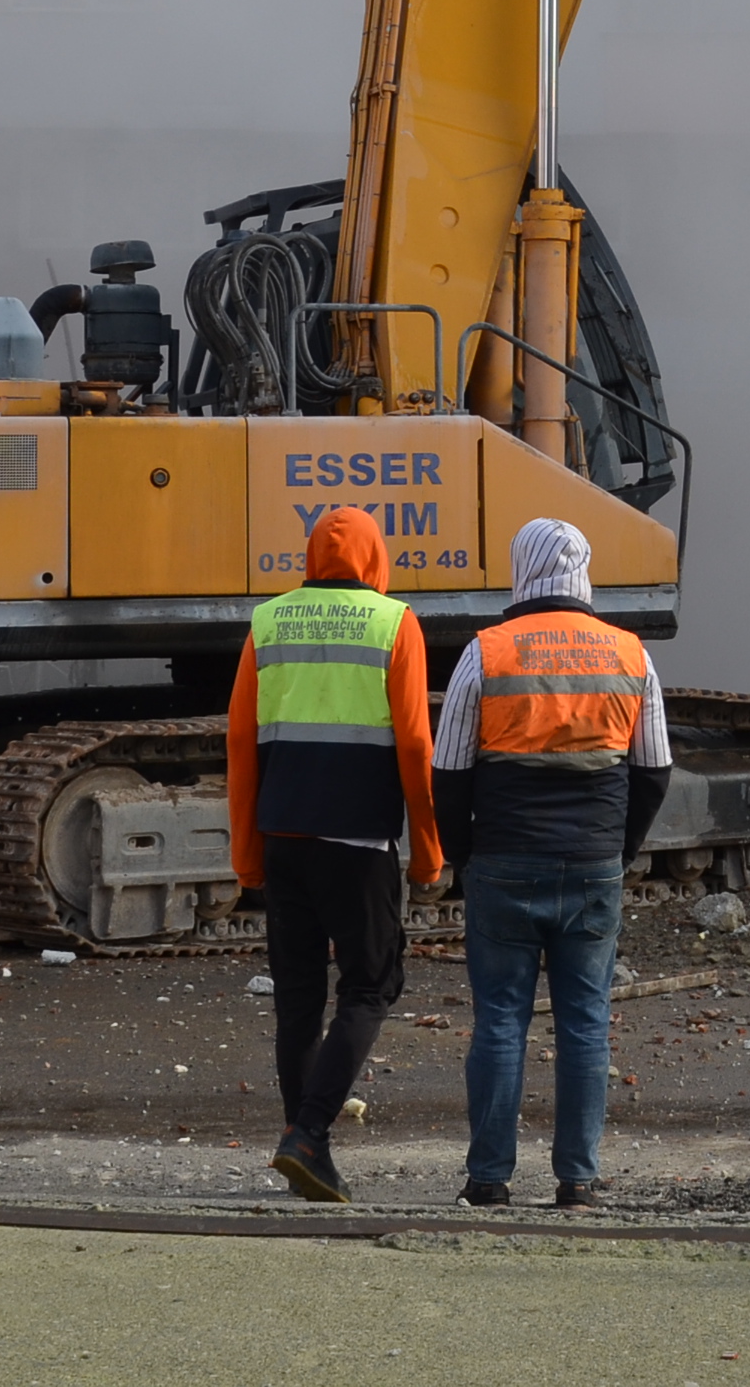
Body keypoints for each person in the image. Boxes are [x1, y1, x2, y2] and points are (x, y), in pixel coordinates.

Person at [431, 515, 671, 1208]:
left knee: (501, 1018)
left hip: (504, 861)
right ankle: (579, 1181)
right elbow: (654, 770)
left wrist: (463, 856)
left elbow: (449, 770)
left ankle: (488, 1179)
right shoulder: (631, 655)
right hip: (592, 862)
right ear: (584, 571)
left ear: (522, 568)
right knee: (586, 1020)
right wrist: (617, 850)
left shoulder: (486, 651)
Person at [226, 504, 439, 1203]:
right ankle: (308, 1136)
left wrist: (246, 852)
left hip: (285, 839)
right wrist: (427, 850)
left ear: (312, 556)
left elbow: (239, 744)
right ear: (376, 558)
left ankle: (303, 1148)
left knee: (298, 1001)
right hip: (357, 844)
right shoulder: (393, 623)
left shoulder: (269, 622)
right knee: (371, 986)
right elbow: (413, 743)